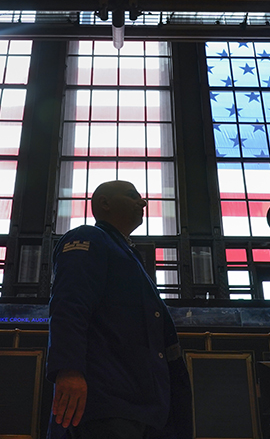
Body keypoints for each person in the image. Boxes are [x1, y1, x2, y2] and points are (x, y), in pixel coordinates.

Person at [46, 180, 192, 439]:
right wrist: (69, 369)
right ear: (105, 203)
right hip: (106, 397)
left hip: (139, 402)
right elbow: (70, 306)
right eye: (132, 195)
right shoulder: (89, 238)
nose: (143, 202)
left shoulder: (126, 253)